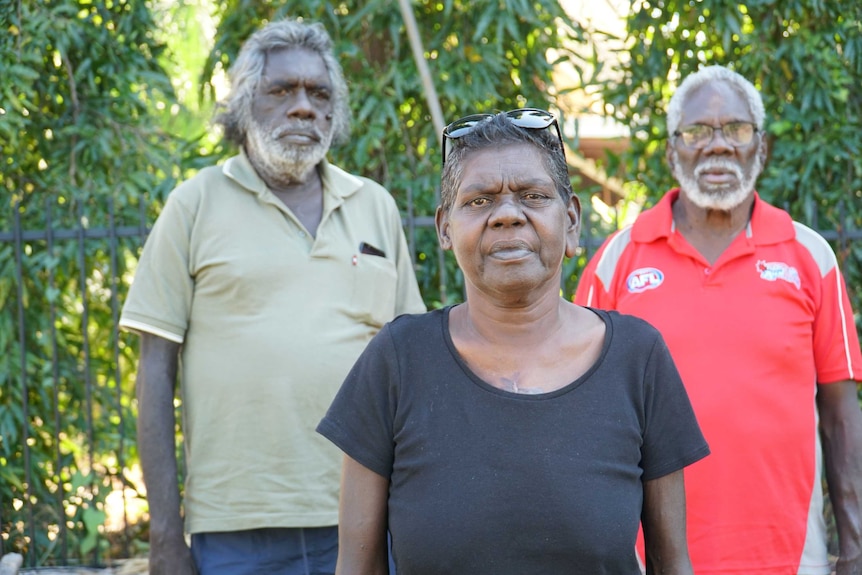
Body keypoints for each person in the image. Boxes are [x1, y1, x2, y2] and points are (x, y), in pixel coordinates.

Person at [317, 109, 710, 574]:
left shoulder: (637, 359)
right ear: (445, 227)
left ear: (570, 222)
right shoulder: (398, 361)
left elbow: (672, 563)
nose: (507, 215)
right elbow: (356, 567)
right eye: (480, 201)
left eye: (533, 195)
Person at [120, 19, 426, 575]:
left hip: (364, 512)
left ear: (334, 112)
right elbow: (154, 370)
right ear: (244, 106)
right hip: (238, 530)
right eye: (282, 91)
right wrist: (164, 533)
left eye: (319, 93)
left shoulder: (374, 205)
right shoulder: (193, 205)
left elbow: (410, 363)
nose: (304, 107)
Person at [575, 65, 862, 575]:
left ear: (762, 148)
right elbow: (577, 412)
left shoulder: (810, 257)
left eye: (736, 129)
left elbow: (841, 418)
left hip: (790, 559)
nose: (718, 145)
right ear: (671, 151)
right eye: (697, 132)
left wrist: (856, 550)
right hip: (645, 559)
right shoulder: (619, 261)